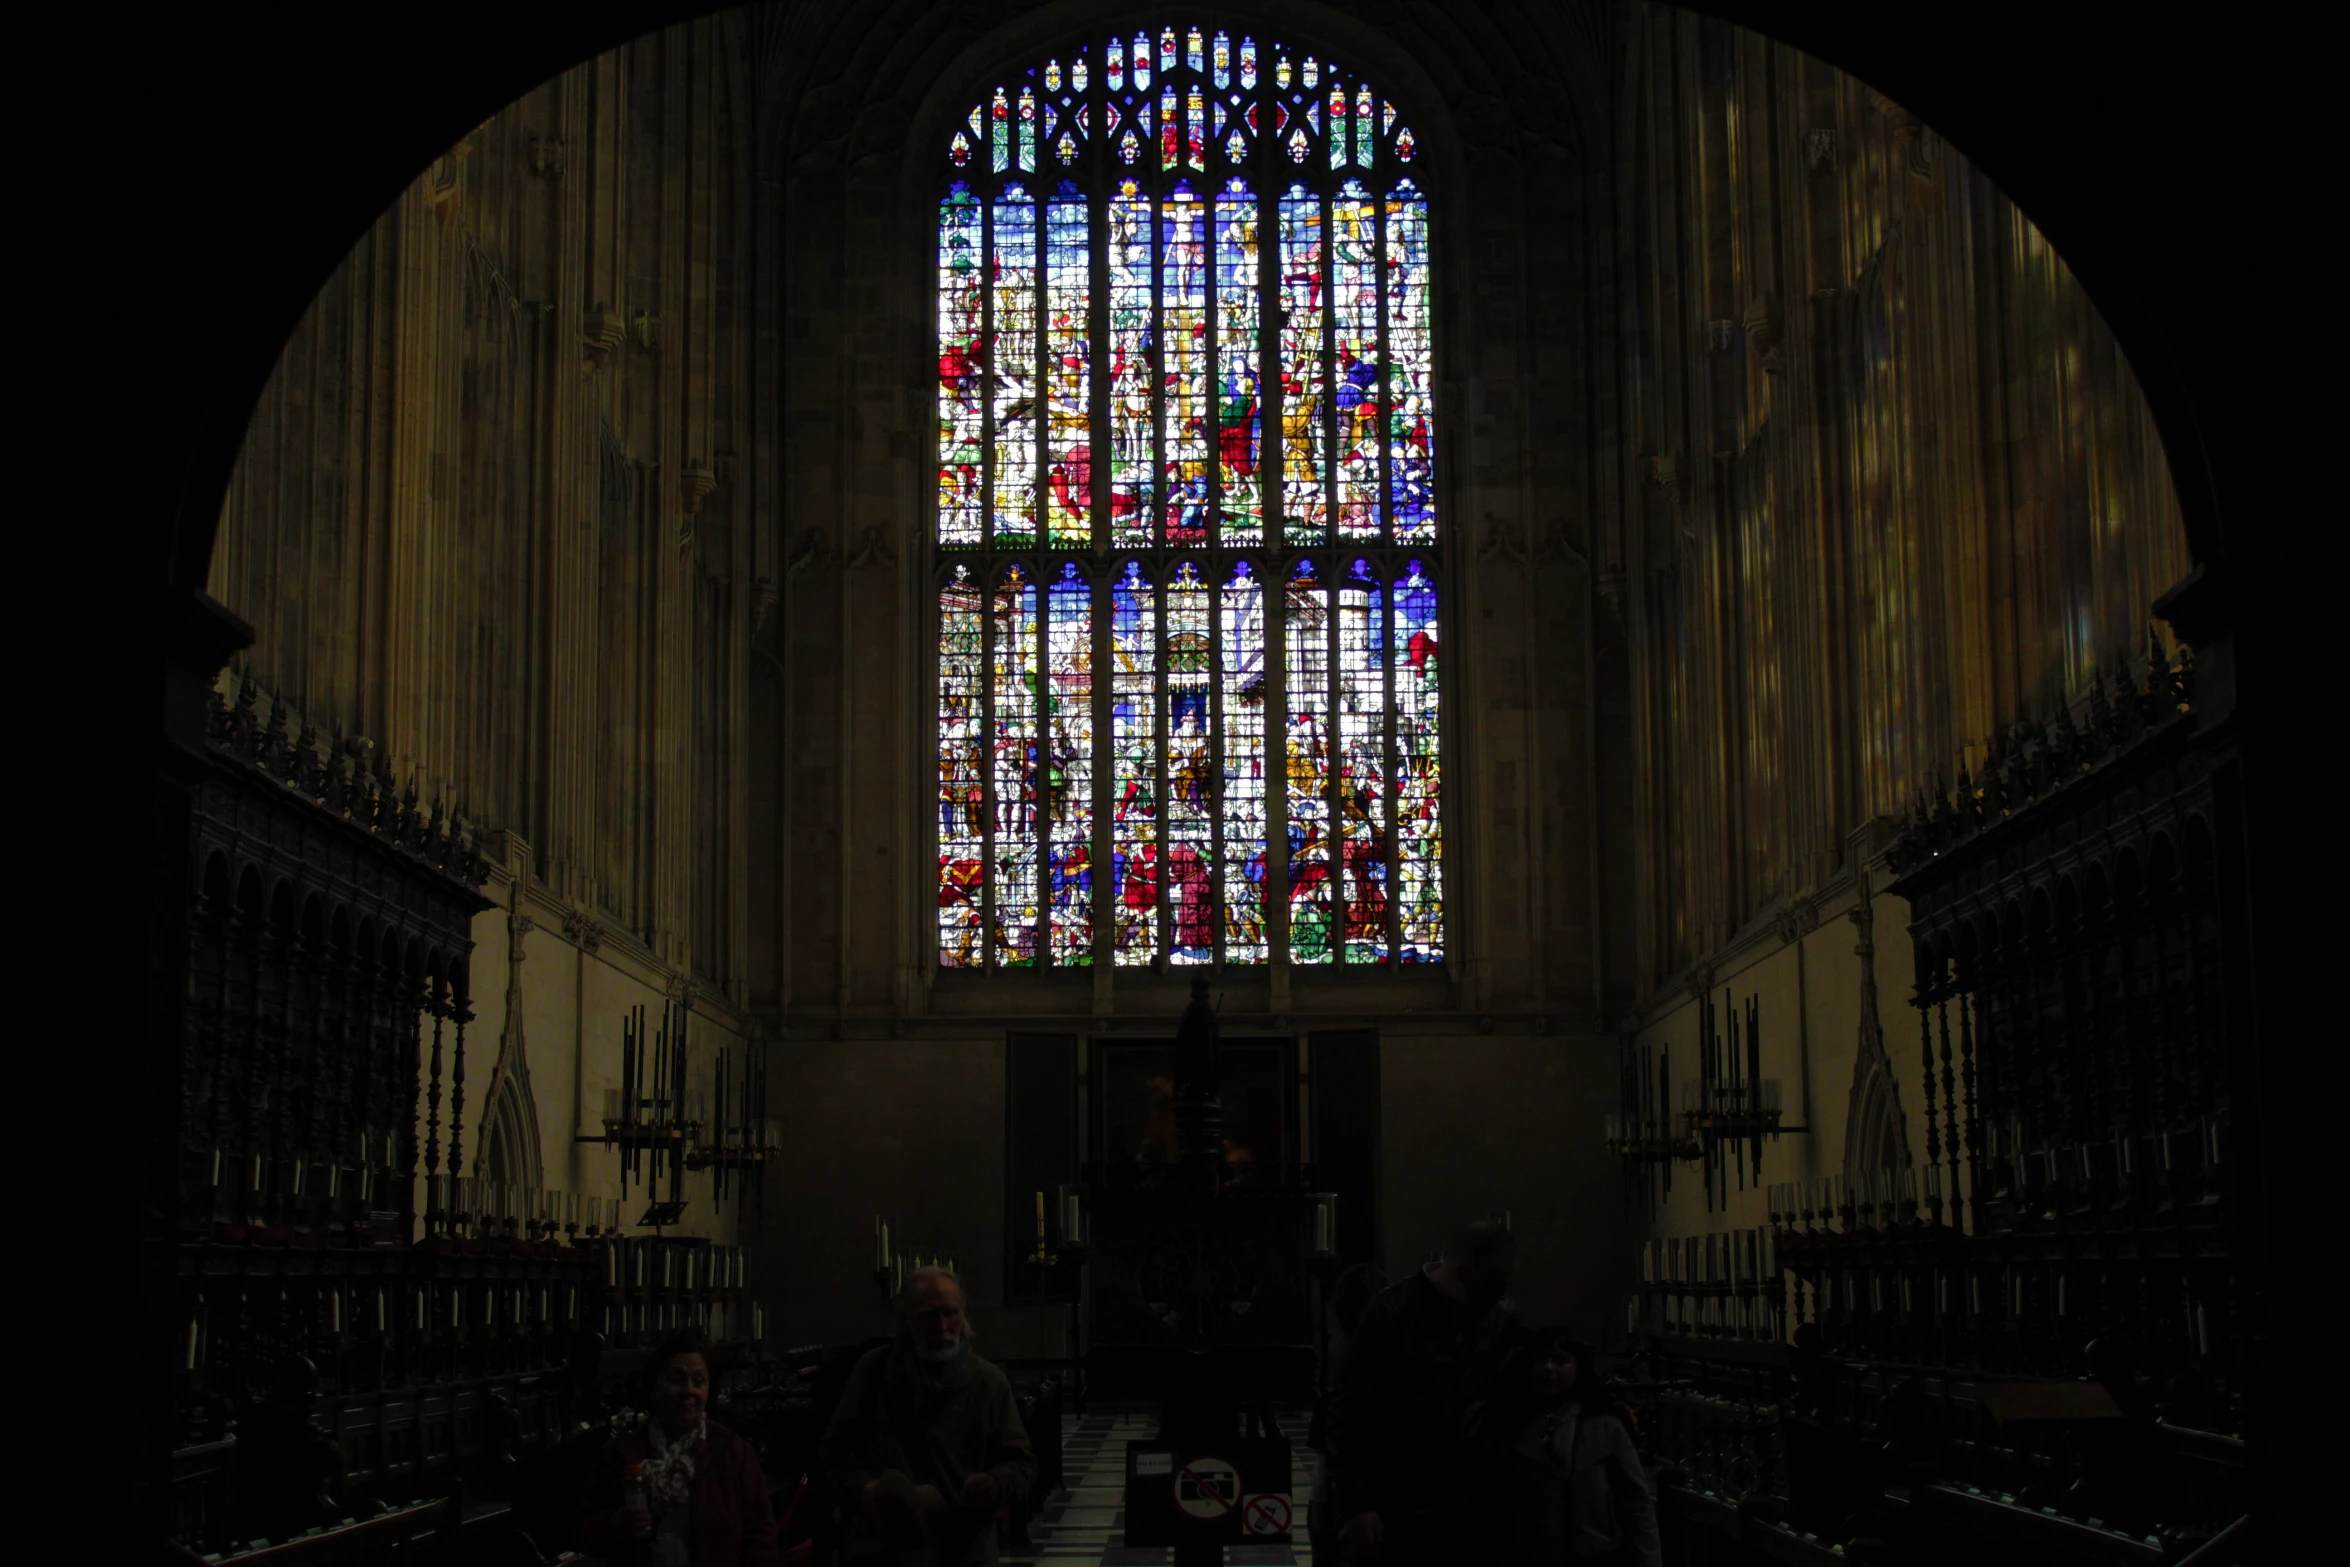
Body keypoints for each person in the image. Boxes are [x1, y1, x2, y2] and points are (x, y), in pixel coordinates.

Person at [1325, 1219, 1523, 1564]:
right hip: (1401, 1500)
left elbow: (1508, 1392)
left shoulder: (1495, 1318)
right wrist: (1358, 1504)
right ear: (1464, 1274)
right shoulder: (1391, 1313)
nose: (1502, 1294)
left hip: (1471, 1500)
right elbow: (1350, 1413)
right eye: (1496, 1283)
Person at [822, 1266, 1036, 1567]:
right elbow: (837, 1448)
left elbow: (1021, 1464)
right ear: (905, 1320)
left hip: (964, 1551)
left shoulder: (988, 1382)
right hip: (885, 1551)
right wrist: (863, 1488)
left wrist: (993, 1483)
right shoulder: (874, 1373)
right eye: (928, 1316)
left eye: (950, 1313)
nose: (941, 1326)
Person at [581, 1327, 782, 1567]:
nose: (689, 1391)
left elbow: (761, 1539)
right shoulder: (622, 1453)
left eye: (698, 1381)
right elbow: (583, 1533)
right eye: (676, 1380)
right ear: (654, 1387)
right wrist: (612, 1524)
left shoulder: (732, 1453)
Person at [1484, 1328, 1662, 1567]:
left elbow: (1635, 1502)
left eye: (1560, 1361)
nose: (1549, 1368)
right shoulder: (1508, 1424)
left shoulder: (1604, 1426)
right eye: (1540, 1360)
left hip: (1594, 1554)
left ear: (1578, 1368)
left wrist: (1648, 1560)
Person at [1307, 1263, 1391, 1557]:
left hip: (1343, 1491)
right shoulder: (1392, 1354)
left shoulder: (1341, 1355)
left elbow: (1327, 1437)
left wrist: (1318, 1498)